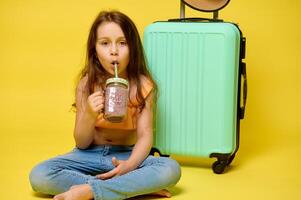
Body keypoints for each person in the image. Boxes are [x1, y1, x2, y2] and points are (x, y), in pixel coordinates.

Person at [29, 10, 181, 200]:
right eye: (105, 43)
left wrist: (130, 166)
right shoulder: (87, 84)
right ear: (95, 50)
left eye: (122, 43)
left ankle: (90, 190)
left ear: (133, 48)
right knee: (40, 174)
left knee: (170, 169)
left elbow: (145, 136)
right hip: (87, 156)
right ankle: (129, 188)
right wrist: (90, 115)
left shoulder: (143, 86)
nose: (114, 50)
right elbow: (81, 142)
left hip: (126, 156)